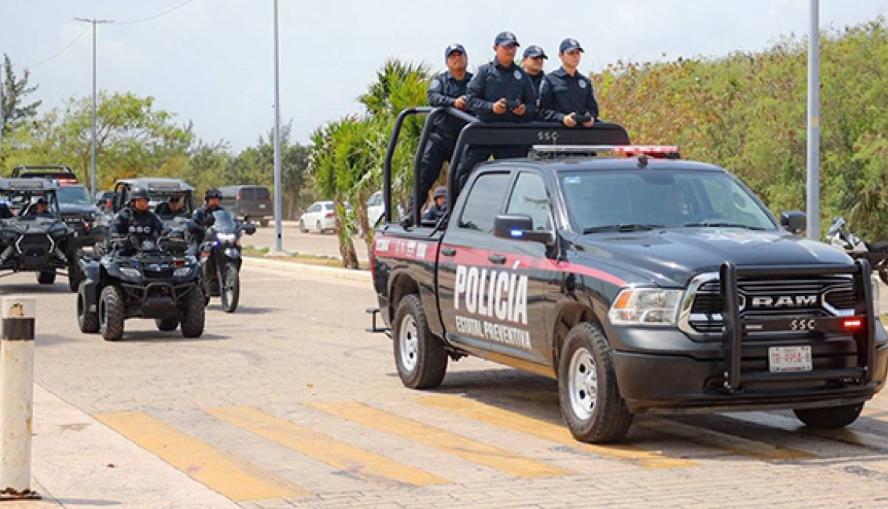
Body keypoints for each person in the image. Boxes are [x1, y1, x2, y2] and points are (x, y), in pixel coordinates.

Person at [456, 31, 537, 193]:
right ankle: (451, 213)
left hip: (510, 133)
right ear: (495, 48)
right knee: (463, 175)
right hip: (484, 131)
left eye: (513, 47)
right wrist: (491, 107)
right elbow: (471, 100)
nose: (511, 50)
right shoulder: (484, 72)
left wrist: (523, 110)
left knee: (513, 181)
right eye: (507, 46)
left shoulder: (521, 75)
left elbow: (532, 105)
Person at [405, 43, 473, 225]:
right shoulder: (440, 81)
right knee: (424, 176)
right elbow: (433, 97)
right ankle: (411, 215)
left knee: (462, 179)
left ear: (466, 58)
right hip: (440, 138)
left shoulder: (474, 82)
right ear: (447, 62)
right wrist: (453, 103)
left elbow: (480, 99)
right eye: (453, 56)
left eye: (460, 55)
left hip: (463, 140)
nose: (457, 59)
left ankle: (447, 217)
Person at [539, 38, 599, 128]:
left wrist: (590, 118)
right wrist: (563, 118)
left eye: (577, 53)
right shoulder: (550, 79)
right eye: (571, 53)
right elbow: (543, 111)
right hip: (558, 133)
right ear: (561, 55)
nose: (575, 56)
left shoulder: (585, 82)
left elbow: (593, 109)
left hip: (583, 134)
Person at [109, 188, 165, 254]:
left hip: (147, 251)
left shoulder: (152, 216)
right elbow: (114, 226)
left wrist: (173, 234)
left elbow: (162, 227)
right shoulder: (124, 215)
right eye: (139, 200)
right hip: (125, 251)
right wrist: (115, 234)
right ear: (132, 202)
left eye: (144, 201)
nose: (142, 203)